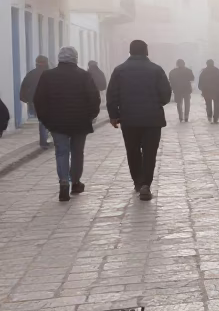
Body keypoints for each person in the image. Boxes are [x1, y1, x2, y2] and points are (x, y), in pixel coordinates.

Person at [33, 47, 100, 201]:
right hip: (80, 121)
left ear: (59, 58)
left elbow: (39, 100)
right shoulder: (84, 75)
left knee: (61, 152)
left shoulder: (48, 75)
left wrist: (46, 120)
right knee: (77, 152)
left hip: (57, 122)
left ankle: (64, 181)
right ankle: (75, 182)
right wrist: (91, 116)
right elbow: (94, 98)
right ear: (75, 58)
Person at [107, 40, 171, 201]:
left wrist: (114, 115)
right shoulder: (156, 70)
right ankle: (146, 185)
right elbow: (166, 94)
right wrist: (156, 104)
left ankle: (138, 181)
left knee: (133, 151)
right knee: (150, 152)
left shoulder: (119, 70)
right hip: (152, 119)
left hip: (129, 119)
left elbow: (112, 94)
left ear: (130, 52)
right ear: (146, 51)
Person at [19, 55, 50, 147]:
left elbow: (24, 87)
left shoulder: (31, 74)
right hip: (47, 101)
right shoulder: (49, 73)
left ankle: (44, 140)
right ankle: (44, 141)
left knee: (42, 120)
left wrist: (25, 98)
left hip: (35, 101)